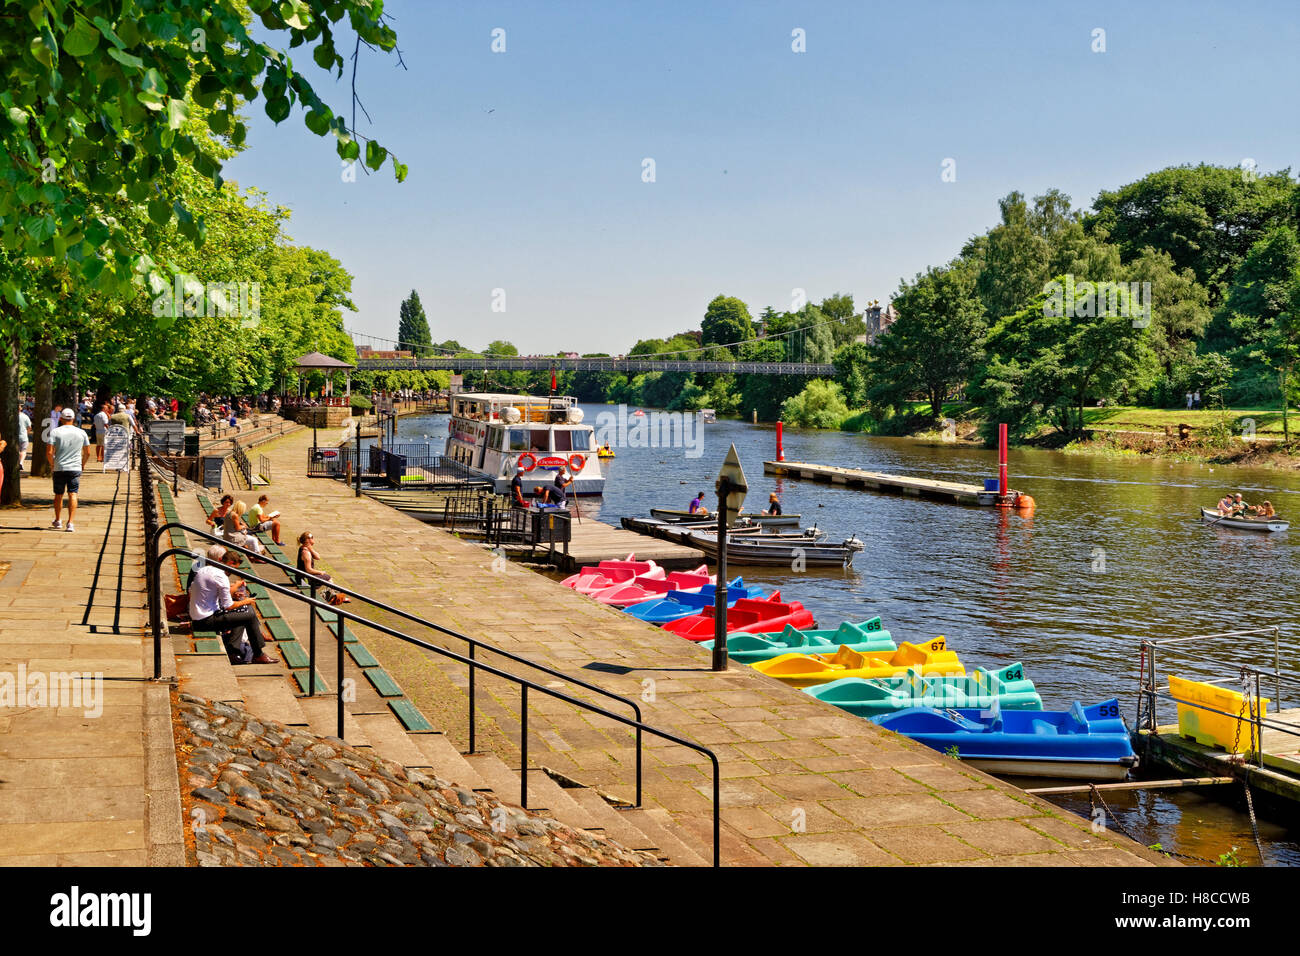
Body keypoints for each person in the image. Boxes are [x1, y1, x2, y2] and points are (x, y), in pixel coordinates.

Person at [189, 545, 277, 664]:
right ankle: (258, 654)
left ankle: (234, 652)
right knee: (248, 614)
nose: (233, 572)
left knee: (243, 612)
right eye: (234, 569)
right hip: (205, 621)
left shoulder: (206, 569)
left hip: (198, 616)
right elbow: (228, 605)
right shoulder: (221, 576)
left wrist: (241, 601)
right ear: (230, 563)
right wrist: (246, 601)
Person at [47, 408, 90, 531]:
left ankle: (58, 519)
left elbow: (49, 452)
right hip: (75, 467)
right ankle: (70, 522)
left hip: (59, 467)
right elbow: (87, 452)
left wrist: (52, 464)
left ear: (61, 418)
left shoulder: (55, 432)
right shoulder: (81, 433)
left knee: (58, 495)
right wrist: (82, 464)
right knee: (73, 493)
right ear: (73, 419)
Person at [297, 532, 349, 604]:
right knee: (328, 578)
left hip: (303, 577)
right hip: (305, 580)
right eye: (312, 537)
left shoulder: (305, 548)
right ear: (308, 540)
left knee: (327, 578)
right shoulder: (306, 553)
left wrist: (311, 548)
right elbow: (308, 570)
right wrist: (320, 572)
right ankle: (333, 597)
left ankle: (334, 595)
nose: (313, 538)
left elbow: (318, 557)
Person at [16, 407, 31, 473]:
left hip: (15, 437)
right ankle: (21, 463)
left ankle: (17, 463)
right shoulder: (25, 417)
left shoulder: (12, 416)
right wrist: (27, 433)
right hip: (23, 437)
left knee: (17, 451)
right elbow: (29, 427)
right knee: (23, 450)